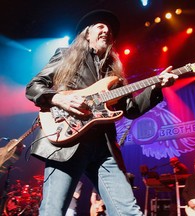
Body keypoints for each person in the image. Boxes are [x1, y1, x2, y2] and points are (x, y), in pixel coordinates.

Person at [25, 9, 178, 216]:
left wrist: (157, 87)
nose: (106, 30)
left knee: (129, 212)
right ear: (87, 34)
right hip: (68, 141)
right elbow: (34, 86)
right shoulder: (66, 55)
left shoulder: (114, 75)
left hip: (103, 149)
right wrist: (60, 98)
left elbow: (131, 110)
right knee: (53, 211)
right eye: (100, 26)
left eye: (110, 29)